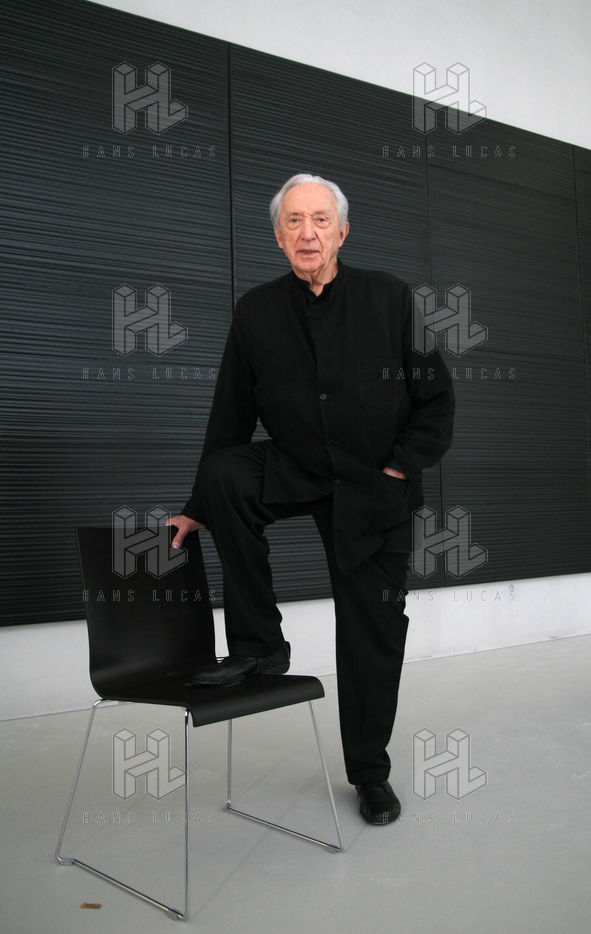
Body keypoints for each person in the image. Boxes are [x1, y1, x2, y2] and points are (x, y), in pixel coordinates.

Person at [167, 173, 455, 825]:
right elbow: (230, 416)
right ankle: (259, 647)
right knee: (226, 474)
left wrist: (398, 468)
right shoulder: (256, 311)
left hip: (373, 485)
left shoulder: (390, 298)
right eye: (293, 221)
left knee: (371, 631)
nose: (307, 233)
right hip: (298, 467)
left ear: (342, 231)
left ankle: (370, 774)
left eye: (320, 220)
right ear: (277, 236)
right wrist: (198, 505)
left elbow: (436, 401)